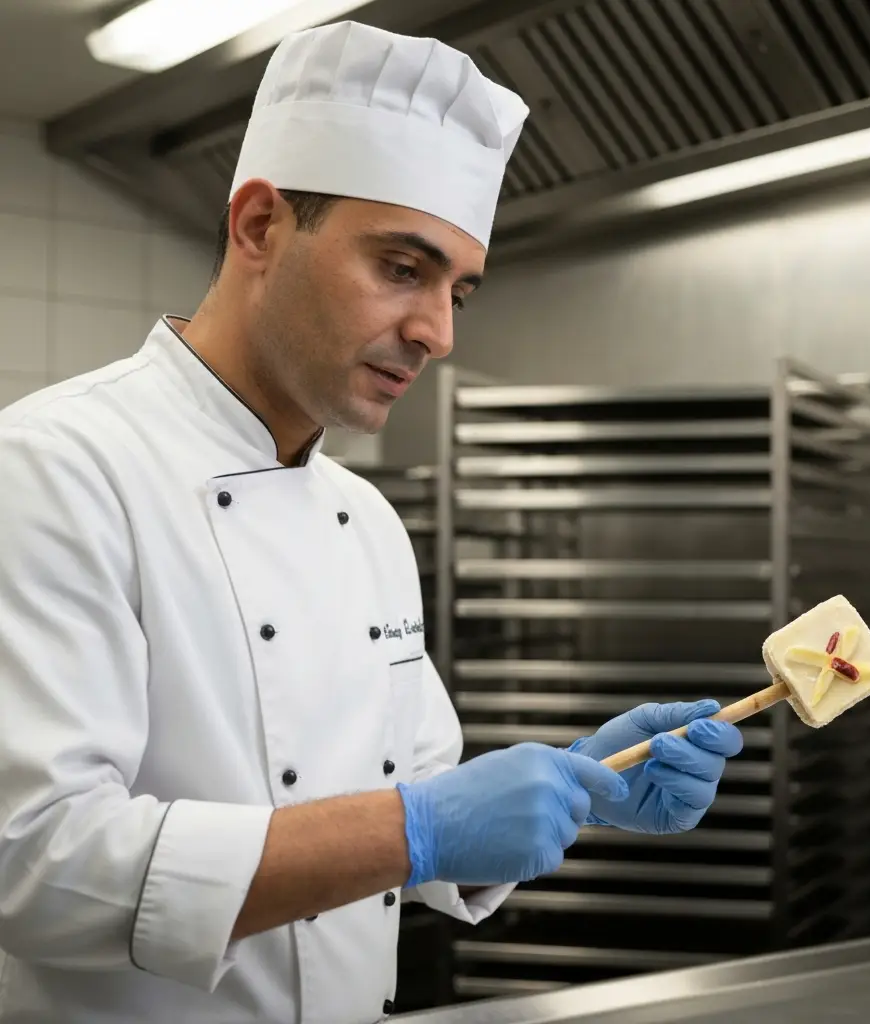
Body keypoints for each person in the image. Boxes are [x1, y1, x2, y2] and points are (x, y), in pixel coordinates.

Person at [0, 19, 743, 1024]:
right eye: (403, 267)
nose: (436, 331)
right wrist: (415, 829)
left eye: (458, 291)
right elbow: (33, 862)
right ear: (260, 225)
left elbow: (415, 789)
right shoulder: (53, 469)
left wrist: (583, 781)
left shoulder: (365, 517)